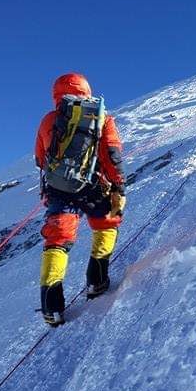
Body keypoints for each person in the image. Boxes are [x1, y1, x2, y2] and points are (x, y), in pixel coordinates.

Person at [35, 73, 126, 326]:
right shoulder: (101, 118)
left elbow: (40, 158)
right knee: (106, 226)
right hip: (92, 186)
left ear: (57, 93)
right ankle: (97, 282)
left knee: (57, 241)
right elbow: (111, 153)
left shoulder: (48, 120)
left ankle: (51, 309)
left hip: (59, 190)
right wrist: (119, 186)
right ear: (87, 90)